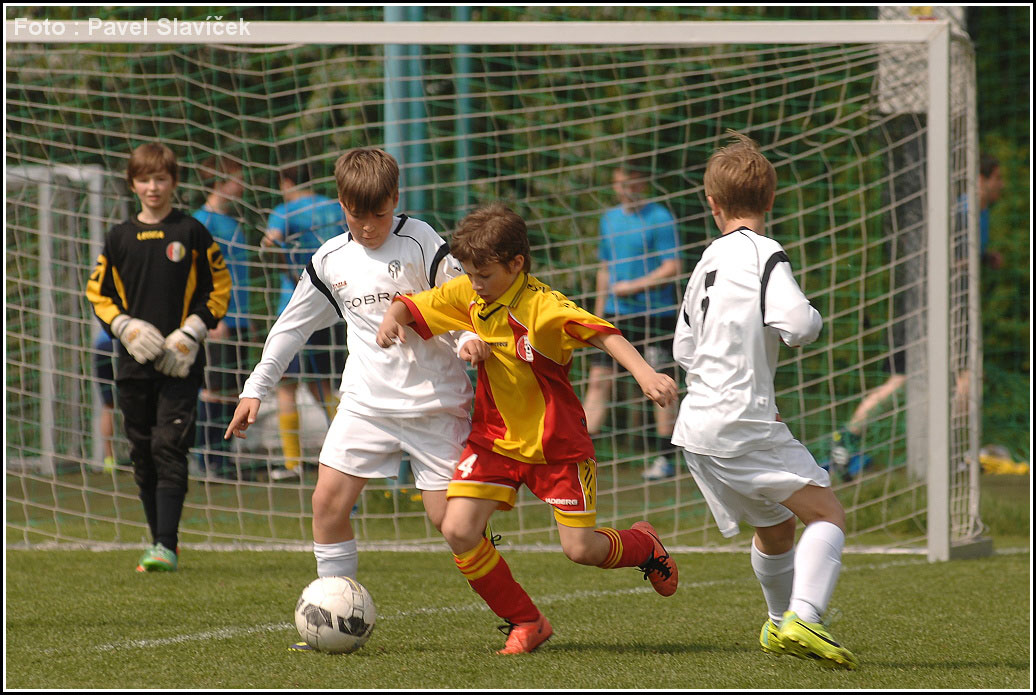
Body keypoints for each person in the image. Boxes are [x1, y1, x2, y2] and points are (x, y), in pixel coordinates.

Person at [376, 202, 681, 655]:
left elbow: (603, 333)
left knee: (580, 550)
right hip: (494, 442)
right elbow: (414, 305)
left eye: (484, 275)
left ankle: (644, 545)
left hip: (557, 447)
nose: (474, 284)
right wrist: (392, 318)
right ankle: (526, 620)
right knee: (458, 529)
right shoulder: (469, 293)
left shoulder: (543, 307)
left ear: (516, 264)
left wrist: (645, 374)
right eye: (470, 274)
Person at [224, 147, 483, 651]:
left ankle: (518, 613)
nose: (368, 227)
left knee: (453, 525)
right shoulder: (330, 260)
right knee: (327, 502)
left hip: (434, 405)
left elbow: (459, 305)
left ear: (396, 199)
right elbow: (291, 327)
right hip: (365, 404)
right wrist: (255, 388)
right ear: (341, 204)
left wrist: (467, 339)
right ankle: (331, 612)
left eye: (379, 215)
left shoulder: (423, 241)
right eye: (356, 215)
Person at [671, 132, 856, 669]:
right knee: (828, 513)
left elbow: (684, 348)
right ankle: (805, 616)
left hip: (697, 427)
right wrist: (810, 319)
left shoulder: (706, 260)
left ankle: (778, 624)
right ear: (771, 200)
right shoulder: (764, 251)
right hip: (740, 422)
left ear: (712, 203)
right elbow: (798, 325)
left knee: (775, 527)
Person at [85, 142, 231, 572]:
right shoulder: (118, 237)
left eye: (161, 179)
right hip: (132, 364)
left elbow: (219, 288)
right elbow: (98, 292)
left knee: (170, 446)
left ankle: (166, 544)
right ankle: (159, 542)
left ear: (174, 182)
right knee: (143, 453)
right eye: (145, 179)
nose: (153, 187)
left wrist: (192, 331)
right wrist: (124, 326)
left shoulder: (192, 232)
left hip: (180, 364)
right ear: (133, 184)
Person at [828, 153, 1005, 474]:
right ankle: (953, 452)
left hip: (946, 308)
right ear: (982, 179)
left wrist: (983, 257)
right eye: (998, 178)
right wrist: (964, 264)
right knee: (959, 377)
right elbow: (935, 259)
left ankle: (848, 436)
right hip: (929, 307)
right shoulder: (961, 214)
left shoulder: (980, 213)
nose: (1002, 185)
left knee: (921, 378)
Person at [582, 163, 681, 480]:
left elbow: (672, 267)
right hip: (616, 314)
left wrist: (634, 286)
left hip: (655, 314)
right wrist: (597, 316)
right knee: (599, 380)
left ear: (643, 183)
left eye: (631, 183)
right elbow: (604, 268)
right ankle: (581, 457)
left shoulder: (660, 218)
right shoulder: (609, 219)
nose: (625, 190)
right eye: (620, 183)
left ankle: (665, 458)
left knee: (659, 382)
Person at [261, 162, 348, 480]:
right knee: (322, 384)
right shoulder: (333, 208)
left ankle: (292, 463)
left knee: (286, 386)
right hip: (332, 306)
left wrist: (281, 262)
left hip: (295, 306)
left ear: (286, 182)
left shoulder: (283, 212)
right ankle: (347, 451)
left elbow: (270, 242)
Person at [193, 156, 251, 480]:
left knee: (232, 389)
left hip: (240, 318)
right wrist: (212, 318)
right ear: (220, 182)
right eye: (237, 180)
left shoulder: (232, 222)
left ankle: (224, 458)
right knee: (213, 388)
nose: (242, 186)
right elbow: (196, 275)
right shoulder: (203, 223)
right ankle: (206, 458)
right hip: (220, 319)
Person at [93, 332, 118, 473]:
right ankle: (138, 455)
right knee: (132, 402)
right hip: (124, 344)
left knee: (108, 405)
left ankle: (109, 460)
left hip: (101, 346)